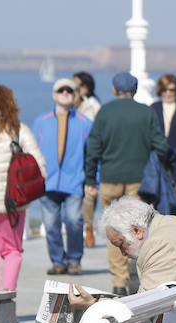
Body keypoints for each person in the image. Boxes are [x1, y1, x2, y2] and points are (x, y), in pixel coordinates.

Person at [84, 71, 170, 295]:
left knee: (114, 229)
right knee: (138, 229)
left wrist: (90, 178)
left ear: (114, 90)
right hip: (138, 182)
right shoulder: (146, 113)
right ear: (135, 89)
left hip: (109, 179)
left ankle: (118, 281)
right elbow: (161, 145)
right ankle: (137, 273)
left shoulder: (104, 113)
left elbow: (93, 148)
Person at [0, 84, 46, 292]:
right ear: (10, 104)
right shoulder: (18, 130)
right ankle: (8, 300)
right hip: (14, 202)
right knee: (13, 251)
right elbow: (39, 166)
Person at [32, 78, 93, 276]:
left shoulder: (85, 123)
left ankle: (74, 260)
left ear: (75, 95)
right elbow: (32, 152)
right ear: (54, 94)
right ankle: (58, 261)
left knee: (74, 220)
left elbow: (93, 155)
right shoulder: (41, 121)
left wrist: (93, 181)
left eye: (69, 90)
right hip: (47, 182)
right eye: (61, 90)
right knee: (51, 224)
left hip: (74, 182)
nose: (65, 93)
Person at [73, 71, 100, 248]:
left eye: (78, 86)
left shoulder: (92, 106)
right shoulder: (70, 105)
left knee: (89, 193)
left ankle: (88, 226)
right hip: (74, 155)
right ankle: (80, 227)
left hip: (89, 154)